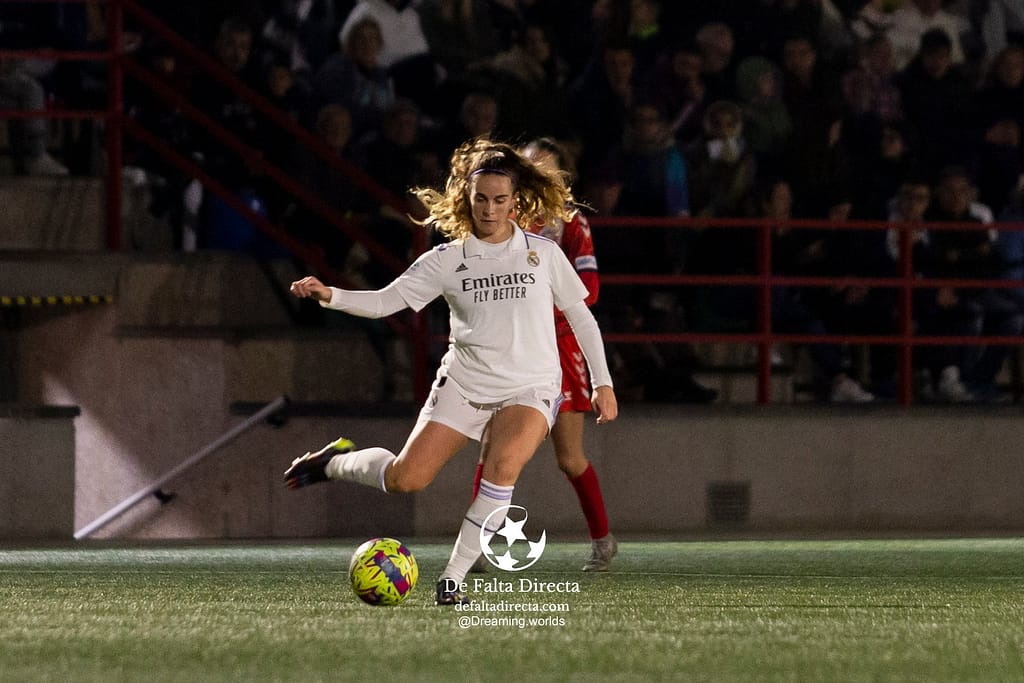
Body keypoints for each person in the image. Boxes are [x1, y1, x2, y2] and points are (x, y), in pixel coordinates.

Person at [284, 138, 619, 604]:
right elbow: (385, 302)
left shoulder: (542, 253)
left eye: (500, 199)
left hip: (532, 386)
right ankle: (335, 462)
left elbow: (583, 317)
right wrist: (331, 295)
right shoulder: (447, 259)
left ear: (517, 202)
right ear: (468, 197)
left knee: (503, 467)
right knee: (405, 479)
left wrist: (603, 382)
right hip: (464, 383)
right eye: (480, 198)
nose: (489, 208)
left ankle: (452, 580)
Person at [468, 136, 616, 572]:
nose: (539, 176)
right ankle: (475, 544)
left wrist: (538, 304)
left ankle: (603, 539)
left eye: (547, 169)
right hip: (509, 348)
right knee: (491, 448)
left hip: (558, 349)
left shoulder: (570, 222)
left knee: (569, 458)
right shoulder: (503, 218)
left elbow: (589, 290)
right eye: (531, 168)